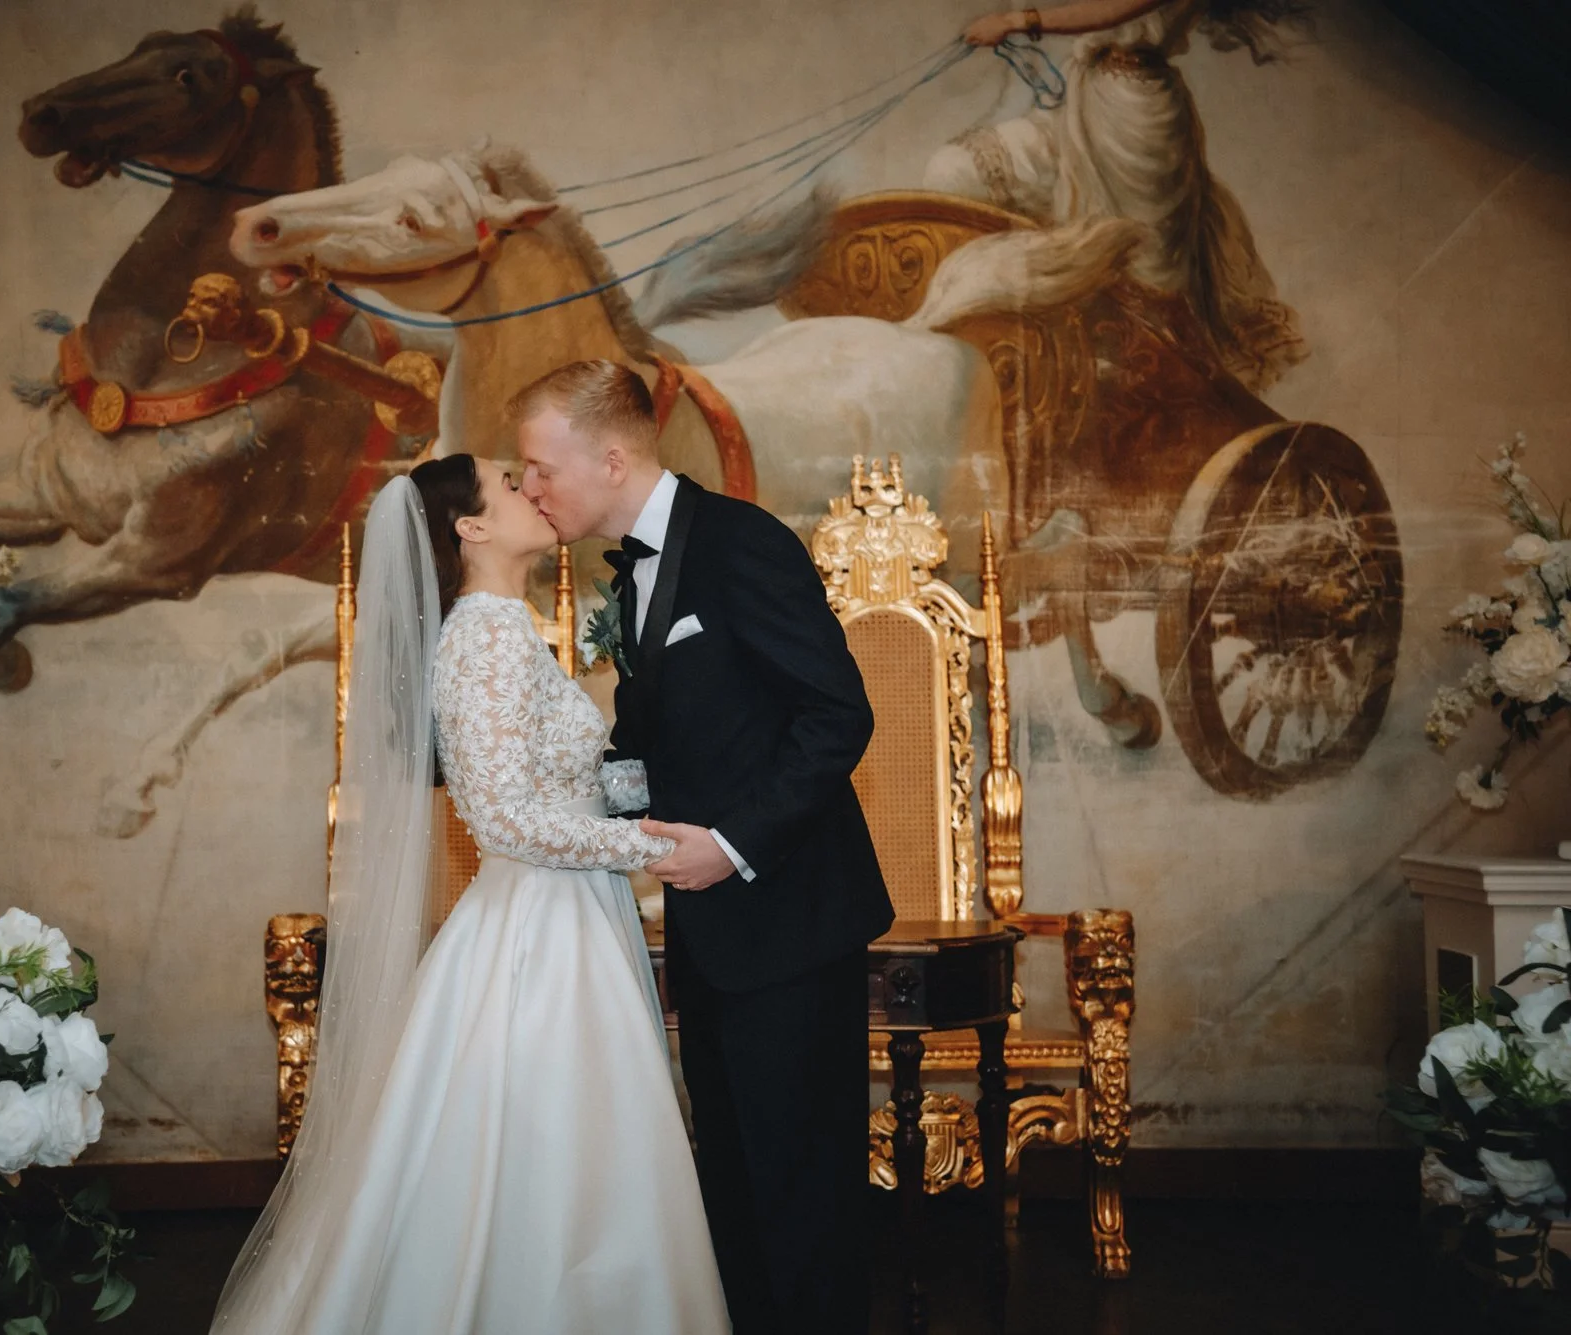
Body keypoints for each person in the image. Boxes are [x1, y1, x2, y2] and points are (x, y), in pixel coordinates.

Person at [209, 461, 729, 1332]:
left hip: (569, 914)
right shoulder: (484, 634)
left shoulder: (508, 628)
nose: (534, 486)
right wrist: (651, 844)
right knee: (552, 1152)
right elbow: (504, 821)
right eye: (508, 481)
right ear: (470, 529)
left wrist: (667, 784)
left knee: (576, 1152)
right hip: (537, 933)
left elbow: (562, 784)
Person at [514, 360, 892, 1335]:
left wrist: (730, 841)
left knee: (799, 1199)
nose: (529, 490)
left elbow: (834, 715)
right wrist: (551, 803)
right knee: (731, 1189)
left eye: (537, 468)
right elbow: (652, 749)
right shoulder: (628, 574)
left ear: (607, 456)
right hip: (711, 939)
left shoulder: (739, 545)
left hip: (791, 926)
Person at [931, 0, 1312, 391]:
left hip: (1135, 120)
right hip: (1082, 98)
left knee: (1140, 289)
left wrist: (1014, 22)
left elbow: (1113, 9)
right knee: (957, 169)